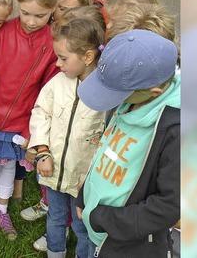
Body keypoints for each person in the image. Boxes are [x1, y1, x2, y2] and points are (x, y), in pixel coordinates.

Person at [75, 29, 180, 257]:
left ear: (154, 91)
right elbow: (107, 149)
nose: (111, 101)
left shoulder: (177, 131)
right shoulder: (129, 100)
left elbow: (169, 206)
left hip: (125, 244)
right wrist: (85, 195)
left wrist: (102, 218)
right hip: (98, 228)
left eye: (116, 94)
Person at [0, 0, 60, 240]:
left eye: (40, 15)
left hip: (21, 123)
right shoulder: (3, 32)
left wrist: (30, 128)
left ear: (52, 11)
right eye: (25, 13)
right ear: (18, 5)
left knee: (9, 168)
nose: (31, 21)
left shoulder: (52, 42)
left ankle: (2, 210)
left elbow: (47, 90)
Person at [28, 18, 106, 258]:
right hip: (54, 172)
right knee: (56, 217)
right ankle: (55, 252)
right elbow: (41, 113)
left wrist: (93, 177)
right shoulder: (57, 84)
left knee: (83, 225)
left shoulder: (105, 93)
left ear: (88, 57)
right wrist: (42, 152)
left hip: (84, 179)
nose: (57, 63)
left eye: (63, 58)